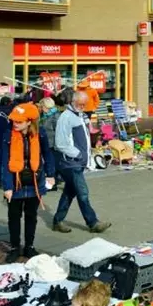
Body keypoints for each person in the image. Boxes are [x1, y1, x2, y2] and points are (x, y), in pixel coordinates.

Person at [1, 103, 55, 263]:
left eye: (19, 121)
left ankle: (29, 247)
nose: (15, 123)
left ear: (29, 121)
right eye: (14, 120)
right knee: (14, 216)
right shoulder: (8, 135)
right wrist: (7, 186)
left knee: (31, 215)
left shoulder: (41, 134)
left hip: (34, 182)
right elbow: (4, 162)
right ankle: (15, 248)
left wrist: (51, 175)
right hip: (15, 182)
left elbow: (48, 154)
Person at [52, 91, 111, 233]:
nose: (83, 107)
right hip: (70, 162)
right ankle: (93, 222)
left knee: (69, 192)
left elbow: (83, 137)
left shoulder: (80, 115)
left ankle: (57, 221)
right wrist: (78, 154)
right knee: (82, 193)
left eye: (84, 105)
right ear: (73, 102)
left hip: (77, 161)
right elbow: (61, 143)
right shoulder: (66, 118)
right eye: (80, 104)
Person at [0, 96, 13, 189]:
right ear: (8, 103)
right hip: (8, 139)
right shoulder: (12, 112)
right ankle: (5, 181)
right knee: (6, 162)